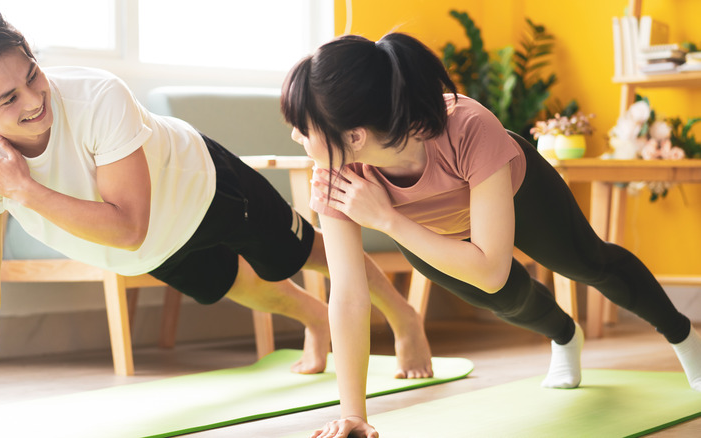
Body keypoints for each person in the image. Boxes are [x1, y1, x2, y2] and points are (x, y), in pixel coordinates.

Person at [0, 11, 433, 430]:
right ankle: (315, 320)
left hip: (204, 186)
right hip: (154, 247)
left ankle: (402, 316)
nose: (35, 99)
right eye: (9, 99)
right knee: (245, 287)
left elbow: (128, 225)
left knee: (307, 255)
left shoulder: (97, 97)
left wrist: (24, 190)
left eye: (33, 74)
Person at [281, 32, 701, 438]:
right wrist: (353, 413)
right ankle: (566, 335)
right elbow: (350, 294)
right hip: (430, 232)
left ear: (354, 136)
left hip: (519, 193)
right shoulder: (334, 173)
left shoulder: (468, 125)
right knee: (506, 299)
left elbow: (491, 268)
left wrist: (389, 220)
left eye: (304, 128)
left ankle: (684, 337)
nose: (296, 136)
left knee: (589, 264)